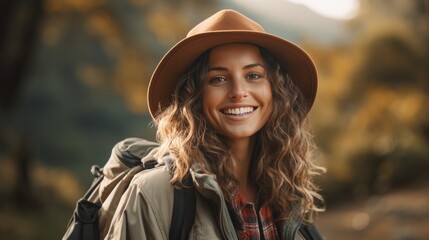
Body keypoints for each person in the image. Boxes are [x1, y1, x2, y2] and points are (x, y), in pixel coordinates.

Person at [106, 9, 325, 240]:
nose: (239, 92)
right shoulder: (156, 194)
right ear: (193, 96)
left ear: (275, 90)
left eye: (253, 76)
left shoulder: (288, 196)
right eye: (218, 79)